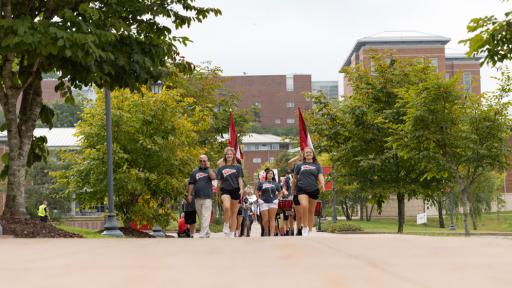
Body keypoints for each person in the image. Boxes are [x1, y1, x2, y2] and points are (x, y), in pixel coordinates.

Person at [292, 147, 325, 237]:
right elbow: (294, 179)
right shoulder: (299, 165)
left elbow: (320, 176)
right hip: (301, 189)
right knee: (304, 206)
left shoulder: (317, 165)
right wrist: (293, 190)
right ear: (304, 154)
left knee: (311, 211)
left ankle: (310, 230)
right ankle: (305, 227)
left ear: (313, 154)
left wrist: (322, 183)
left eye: (310, 152)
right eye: (306, 152)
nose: (308, 154)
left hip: (313, 189)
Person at [217, 147, 245, 238]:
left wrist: (241, 189)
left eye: (231, 154)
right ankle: (225, 224)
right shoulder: (221, 168)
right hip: (225, 190)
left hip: (236, 190)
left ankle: (232, 233)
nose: (229, 155)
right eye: (227, 154)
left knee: (234, 214)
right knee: (227, 206)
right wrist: (217, 191)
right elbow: (219, 182)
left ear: (233, 156)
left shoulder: (238, 167)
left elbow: (240, 179)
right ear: (225, 156)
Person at [188, 155, 216, 238]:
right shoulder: (195, 172)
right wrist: (189, 194)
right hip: (197, 197)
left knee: (206, 215)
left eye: (204, 161)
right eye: (201, 161)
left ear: (207, 161)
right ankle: (207, 232)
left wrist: (209, 168)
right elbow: (191, 184)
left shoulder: (210, 171)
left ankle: (202, 234)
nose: (202, 162)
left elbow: (213, 177)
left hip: (207, 197)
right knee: (201, 216)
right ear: (199, 161)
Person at [257, 169, 282, 236]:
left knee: (272, 219)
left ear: (273, 175)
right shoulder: (262, 183)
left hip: (273, 202)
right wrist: (259, 199)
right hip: (263, 202)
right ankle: (266, 231)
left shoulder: (276, 184)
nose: (270, 175)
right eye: (268, 173)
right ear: (266, 175)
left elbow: (280, 192)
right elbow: (256, 191)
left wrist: (277, 199)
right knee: (265, 220)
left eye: (271, 173)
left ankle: (272, 234)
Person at [281, 169, 295, 236]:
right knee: (290, 214)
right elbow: (284, 187)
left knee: (297, 214)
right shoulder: (287, 178)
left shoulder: (300, 177)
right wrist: (285, 191)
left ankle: (297, 228)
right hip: (289, 197)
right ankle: (290, 229)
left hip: (298, 196)